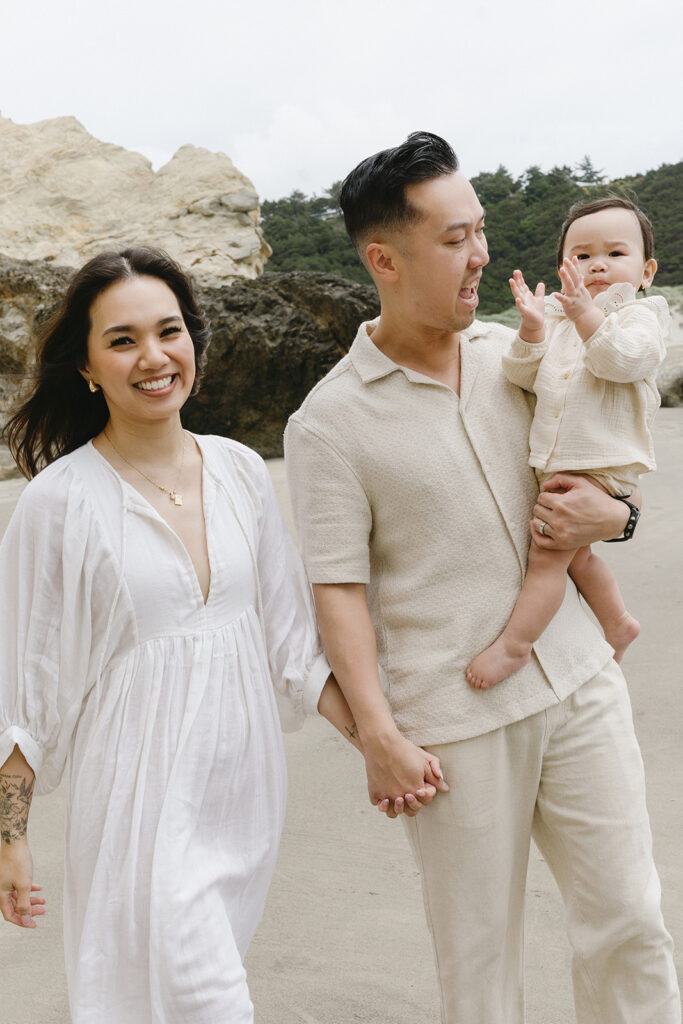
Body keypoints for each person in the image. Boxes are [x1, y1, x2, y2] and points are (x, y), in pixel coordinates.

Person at [284, 133, 680, 1022]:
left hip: (579, 679)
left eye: (482, 229)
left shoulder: (525, 354)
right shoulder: (327, 425)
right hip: (453, 727)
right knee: (479, 970)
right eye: (456, 238)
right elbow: (336, 591)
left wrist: (620, 519)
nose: (483, 254)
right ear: (385, 258)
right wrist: (377, 737)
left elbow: (603, 476)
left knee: (629, 924)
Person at [0, 247, 442, 1023]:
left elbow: (292, 650)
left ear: (194, 342)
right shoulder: (59, 502)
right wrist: (10, 835)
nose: (154, 356)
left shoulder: (240, 471)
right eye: (123, 339)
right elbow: (23, 680)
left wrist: (378, 743)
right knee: (207, 1001)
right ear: (88, 367)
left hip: (241, 797)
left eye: (169, 331)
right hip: (139, 798)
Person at [466, 196, 669, 688]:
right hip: (563, 461)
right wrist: (533, 329)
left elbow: (624, 361)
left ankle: (515, 647)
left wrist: (584, 317)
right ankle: (618, 622)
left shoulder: (642, 316)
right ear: (563, 268)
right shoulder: (556, 317)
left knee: (547, 559)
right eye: (582, 255)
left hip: (602, 463)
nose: (597, 263)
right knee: (577, 556)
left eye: (615, 254)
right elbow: (521, 375)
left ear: (645, 271)